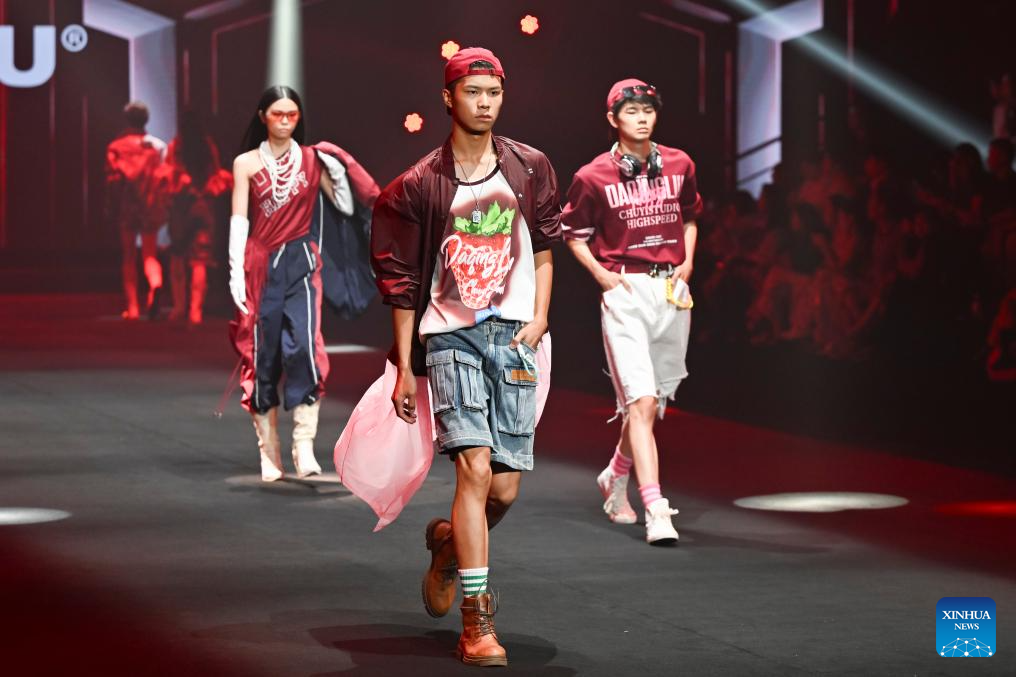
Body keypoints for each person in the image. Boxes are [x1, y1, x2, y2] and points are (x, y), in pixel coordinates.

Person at [370, 47, 561, 666]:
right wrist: (405, 367)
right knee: (474, 470)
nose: (484, 103)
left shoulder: (530, 166)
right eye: (473, 92)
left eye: (494, 93)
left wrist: (540, 316)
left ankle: (449, 548)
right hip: (450, 335)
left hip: (516, 338)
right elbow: (403, 284)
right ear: (448, 98)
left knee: (504, 490)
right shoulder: (420, 182)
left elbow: (546, 246)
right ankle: (476, 623)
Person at [561, 79, 702, 545]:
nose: (642, 118)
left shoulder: (680, 164)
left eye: (648, 110)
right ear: (613, 119)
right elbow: (573, 234)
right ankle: (656, 508)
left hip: (671, 291)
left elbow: (690, 216)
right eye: (631, 111)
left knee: (651, 402)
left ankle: (615, 475)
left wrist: (688, 260)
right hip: (625, 291)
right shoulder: (592, 176)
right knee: (640, 402)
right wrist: (601, 275)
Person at [228, 85, 378, 482]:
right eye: (277, 114)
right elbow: (239, 219)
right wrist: (234, 271)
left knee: (306, 349)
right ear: (262, 116)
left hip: (302, 263)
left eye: (291, 114)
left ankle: (304, 444)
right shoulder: (246, 163)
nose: (284, 121)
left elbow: (344, 205)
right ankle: (268, 450)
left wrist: (337, 172)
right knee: (262, 354)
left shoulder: (312, 159)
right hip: (260, 265)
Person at [153, 111, 232, 325]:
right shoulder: (207, 145)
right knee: (200, 260)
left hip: (181, 207)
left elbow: (168, 174)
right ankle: (196, 310)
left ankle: (179, 307)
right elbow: (216, 173)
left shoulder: (176, 146)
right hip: (204, 205)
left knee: (178, 256)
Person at [104, 101, 167, 320]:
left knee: (129, 256)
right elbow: (164, 177)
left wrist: (110, 205)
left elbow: (113, 180)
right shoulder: (157, 147)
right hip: (150, 205)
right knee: (150, 254)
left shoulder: (116, 147)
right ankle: (155, 283)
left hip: (127, 205)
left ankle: (132, 308)